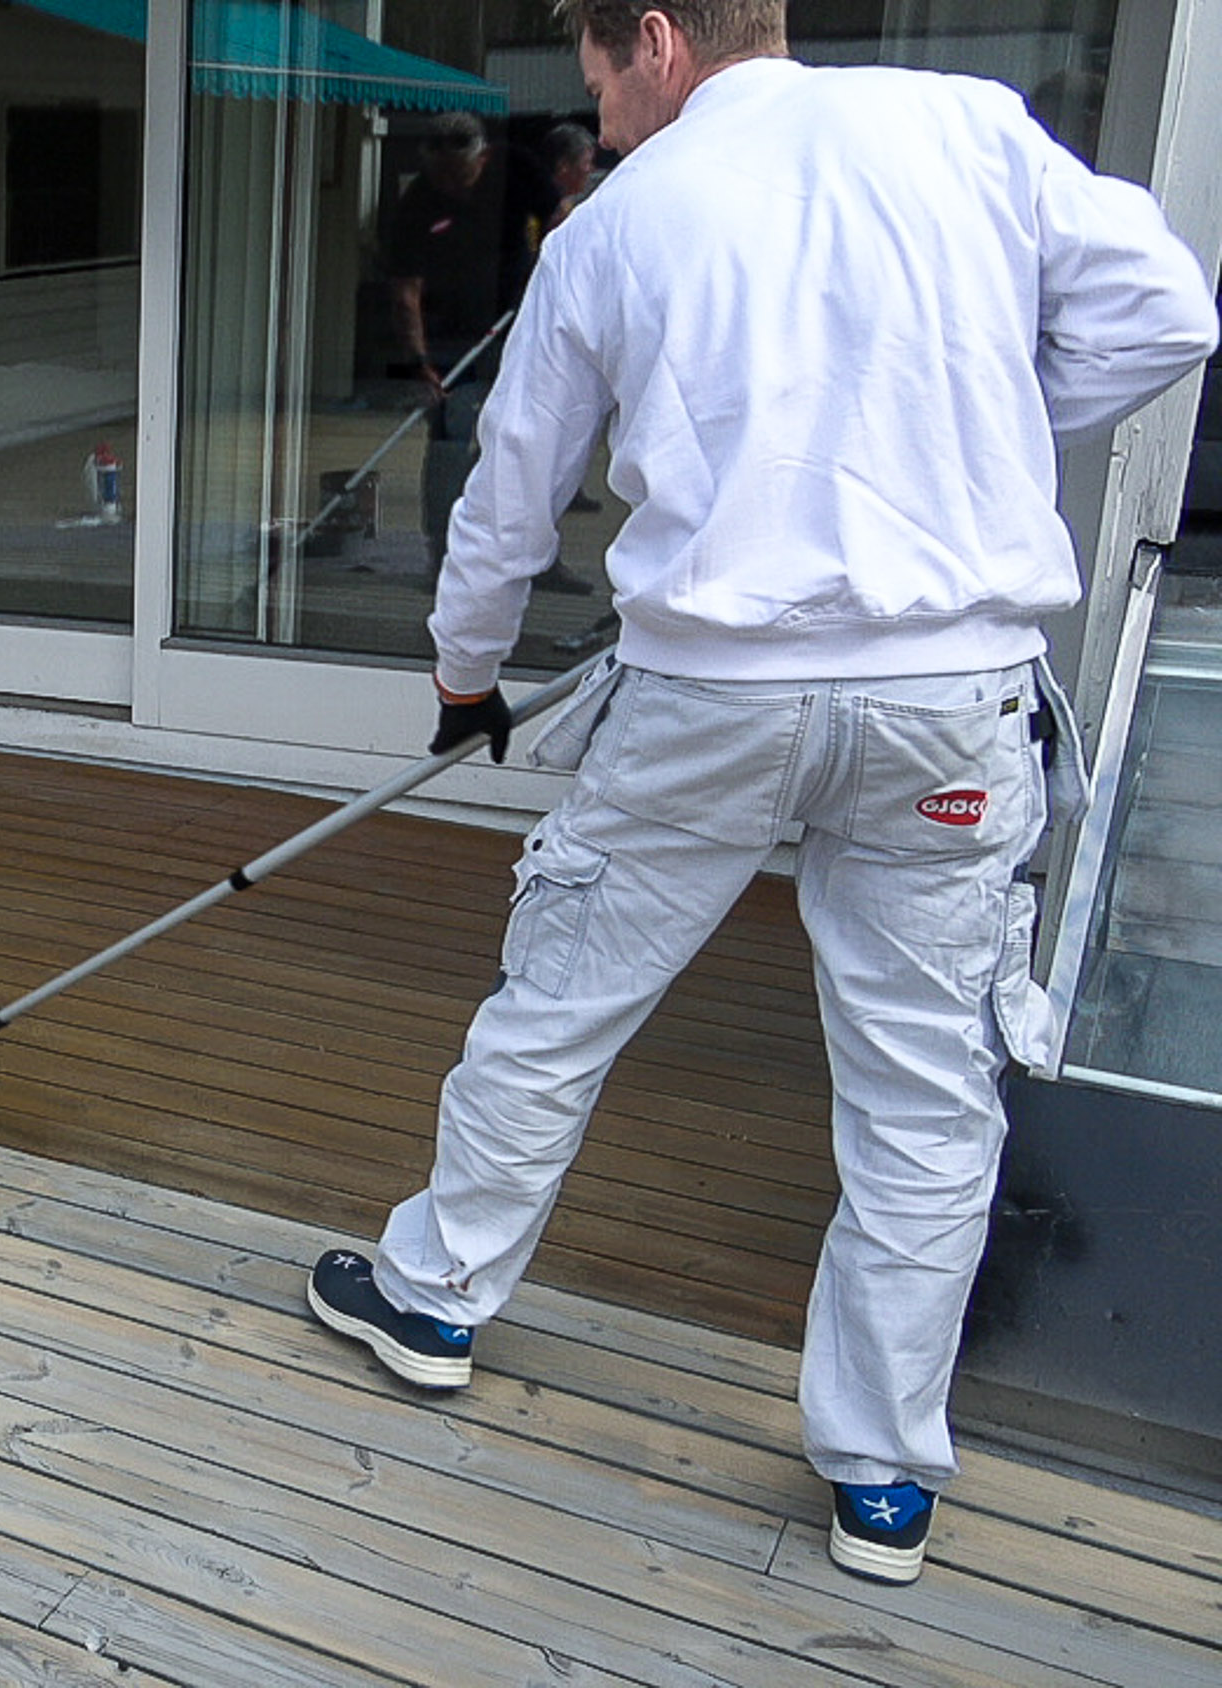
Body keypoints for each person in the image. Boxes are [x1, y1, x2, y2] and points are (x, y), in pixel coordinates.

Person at [306, 0, 1214, 1588]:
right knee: (925, 1091)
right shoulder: (967, 130)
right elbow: (1168, 315)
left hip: (709, 702)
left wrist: (466, 680)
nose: (597, 116)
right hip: (952, 701)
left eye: (596, 77)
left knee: (563, 1001)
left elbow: (510, 494)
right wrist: (972, 437)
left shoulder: (620, 224)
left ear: (654, 38)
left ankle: (436, 1299)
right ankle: (881, 1474)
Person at [380, 112, 593, 593]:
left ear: (483, 156)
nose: (450, 186)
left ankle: (541, 560)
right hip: (450, 339)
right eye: (440, 176)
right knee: (450, 447)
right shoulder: (417, 204)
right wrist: (420, 363)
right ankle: (442, 558)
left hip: (521, 326)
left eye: (460, 174)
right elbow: (405, 292)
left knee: (529, 444)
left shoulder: (516, 169)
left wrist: (547, 282)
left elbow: (559, 219)